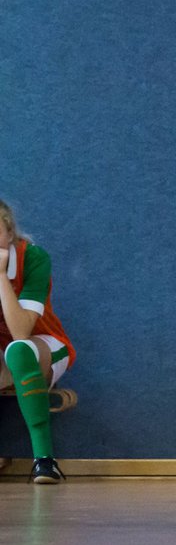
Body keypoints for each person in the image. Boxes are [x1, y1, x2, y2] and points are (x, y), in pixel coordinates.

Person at [1, 199, 74, 484]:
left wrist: (0, 276)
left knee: (19, 350)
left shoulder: (33, 258)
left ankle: (45, 461)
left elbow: (20, 331)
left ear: (9, 233)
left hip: (42, 345)